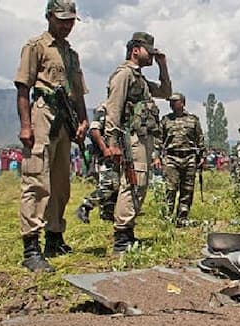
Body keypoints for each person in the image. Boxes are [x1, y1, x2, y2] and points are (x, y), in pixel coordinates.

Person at [14, 0, 89, 272]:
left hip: (66, 121)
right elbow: (23, 87)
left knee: (60, 183)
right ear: (49, 17)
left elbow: (78, 92)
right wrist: (26, 126)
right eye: (62, 20)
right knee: (36, 180)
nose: (67, 25)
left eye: (71, 21)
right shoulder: (35, 47)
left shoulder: (71, 54)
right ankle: (31, 247)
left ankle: (54, 237)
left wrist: (83, 121)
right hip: (43, 115)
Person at [103, 32, 171, 253]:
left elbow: (166, 92)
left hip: (142, 138)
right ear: (135, 50)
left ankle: (128, 233)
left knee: (138, 184)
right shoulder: (124, 75)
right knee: (132, 183)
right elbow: (113, 109)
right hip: (130, 138)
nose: (152, 55)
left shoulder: (139, 78)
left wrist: (163, 66)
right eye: (148, 51)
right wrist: (111, 141)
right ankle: (121, 238)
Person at [160, 92, 205, 227]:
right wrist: (156, 157)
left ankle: (182, 218)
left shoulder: (193, 119)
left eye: (175, 101)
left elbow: (200, 139)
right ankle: (167, 217)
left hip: (189, 157)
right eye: (171, 102)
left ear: (183, 103)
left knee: (187, 189)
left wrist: (202, 156)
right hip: (171, 157)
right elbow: (158, 140)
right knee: (170, 188)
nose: (172, 104)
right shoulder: (165, 120)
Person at [75, 103, 120, 224]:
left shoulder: (121, 108)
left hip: (118, 155)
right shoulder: (105, 108)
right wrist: (104, 149)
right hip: (106, 156)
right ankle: (86, 205)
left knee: (116, 189)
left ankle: (107, 216)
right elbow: (94, 130)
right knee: (108, 186)